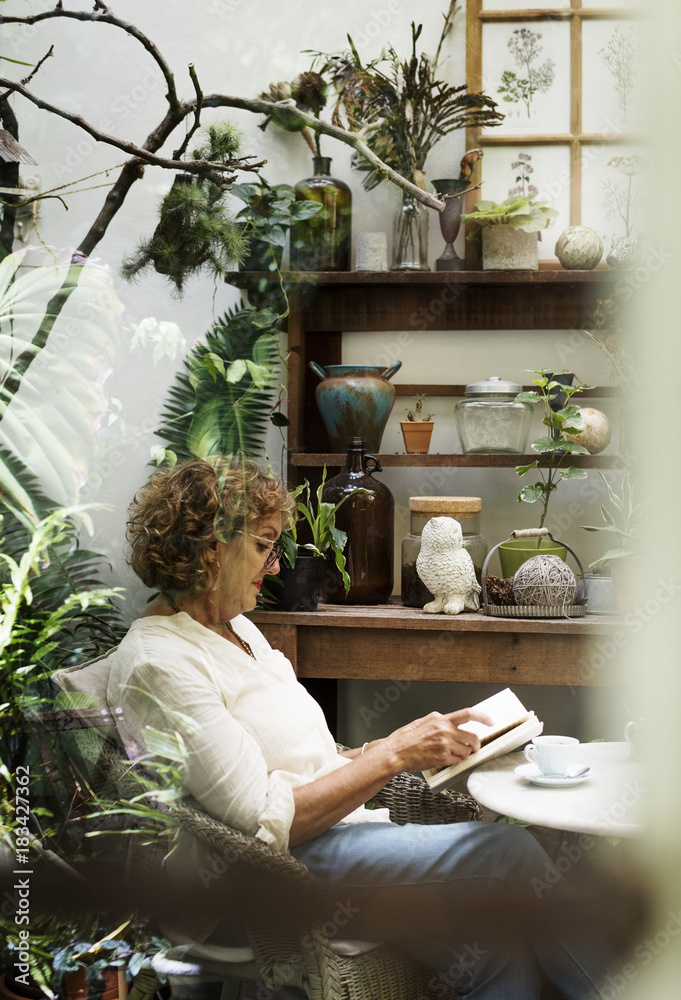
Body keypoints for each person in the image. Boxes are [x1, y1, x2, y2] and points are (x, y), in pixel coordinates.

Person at [111, 457, 613, 999]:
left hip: (331, 839)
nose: (276, 567)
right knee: (507, 853)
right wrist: (394, 754)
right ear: (211, 546)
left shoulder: (239, 631)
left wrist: (419, 743)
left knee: (494, 951)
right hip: (264, 879)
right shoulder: (160, 661)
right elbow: (262, 823)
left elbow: (306, 764)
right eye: (263, 545)